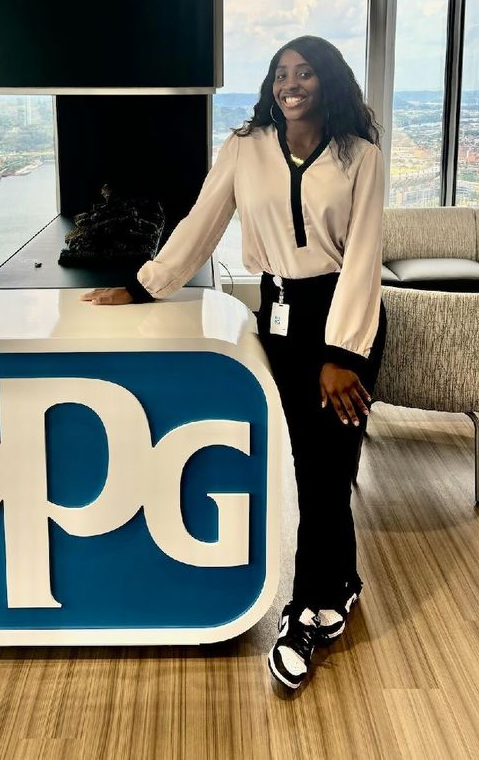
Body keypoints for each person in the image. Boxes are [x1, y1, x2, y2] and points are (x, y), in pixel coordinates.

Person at [80, 34, 387, 692]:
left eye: (305, 72)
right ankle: (344, 583)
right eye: (281, 73)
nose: (291, 83)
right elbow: (201, 221)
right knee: (321, 461)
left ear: (328, 82)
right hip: (280, 319)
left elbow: (365, 257)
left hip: (345, 323)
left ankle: (305, 611)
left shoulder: (360, 156)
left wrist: (341, 354)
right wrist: (142, 286)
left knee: (327, 467)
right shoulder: (246, 148)